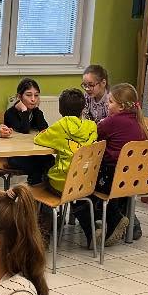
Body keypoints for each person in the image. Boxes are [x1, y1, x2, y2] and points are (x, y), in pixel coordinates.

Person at [36, 89, 99, 245]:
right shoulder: (92, 126)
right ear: (83, 108)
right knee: (75, 192)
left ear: (60, 109)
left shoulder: (61, 126)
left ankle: (43, 232)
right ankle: (91, 232)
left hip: (62, 184)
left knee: (40, 178)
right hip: (86, 181)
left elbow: (39, 139)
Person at [95, 83, 148, 246]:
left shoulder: (111, 122)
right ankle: (131, 224)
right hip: (136, 178)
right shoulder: (139, 121)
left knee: (88, 185)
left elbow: (95, 136)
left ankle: (113, 219)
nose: (107, 104)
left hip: (113, 178)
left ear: (121, 106)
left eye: (111, 101)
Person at [1, 78, 51, 186]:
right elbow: (24, 130)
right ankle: (33, 188)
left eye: (36, 95)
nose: (33, 99)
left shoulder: (35, 112)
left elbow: (44, 128)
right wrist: (24, 111)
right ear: (19, 97)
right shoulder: (10, 113)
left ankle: (44, 189)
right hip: (15, 154)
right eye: (28, 95)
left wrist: (36, 110)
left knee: (50, 160)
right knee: (37, 166)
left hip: (31, 152)